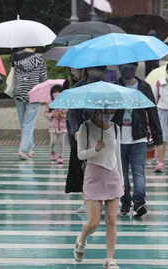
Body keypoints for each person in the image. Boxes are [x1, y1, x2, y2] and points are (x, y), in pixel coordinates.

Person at [112, 62, 163, 217]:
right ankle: (125, 201)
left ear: (135, 69)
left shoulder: (144, 87)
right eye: (124, 68)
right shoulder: (115, 87)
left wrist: (157, 136)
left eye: (131, 68)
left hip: (139, 136)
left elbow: (152, 111)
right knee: (122, 172)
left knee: (138, 171)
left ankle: (139, 202)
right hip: (119, 137)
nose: (128, 71)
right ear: (120, 69)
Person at [74, 109, 122, 269]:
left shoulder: (115, 128)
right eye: (106, 111)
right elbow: (80, 154)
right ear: (97, 111)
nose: (109, 114)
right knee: (93, 223)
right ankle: (82, 237)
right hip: (93, 175)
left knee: (111, 220)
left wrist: (122, 180)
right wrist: (96, 149)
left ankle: (110, 259)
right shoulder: (85, 128)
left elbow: (118, 155)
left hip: (112, 174)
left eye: (112, 111)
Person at [66, 65, 107, 213]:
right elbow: (72, 113)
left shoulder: (108, 89)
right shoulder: (78, 88)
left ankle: (104, 198)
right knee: (85, 170)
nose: (99, 74)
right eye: (96, 70)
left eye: (102, 71)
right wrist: (76, 131)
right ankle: (87, 200)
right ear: (89, 71)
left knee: (103, 168)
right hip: (83, 134)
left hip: (102, 133)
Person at [10, 47, 48, 160]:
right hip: (33, 94)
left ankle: (30, 148)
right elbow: (43, 78)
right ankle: (22, 150)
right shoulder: (39, 59)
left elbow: (11, 75)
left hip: (19, 92)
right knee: (29, 124)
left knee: (24, 124)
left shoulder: (14, 57)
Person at [45, 84, 67, 164]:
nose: (56, 93)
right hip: (53, 126)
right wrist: (52, 115)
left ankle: (60, 156)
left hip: (62, 126)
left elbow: (68, 113)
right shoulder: (49, 103)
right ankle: (52, 151)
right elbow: (46, 113)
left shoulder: (64, 102)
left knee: (61, 141)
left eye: (59, 91)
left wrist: (63, 116)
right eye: (55, 92)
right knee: (53, 141)